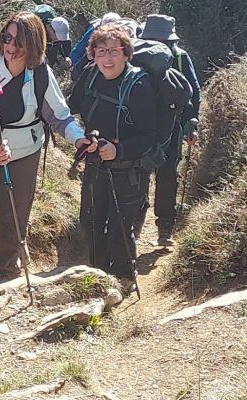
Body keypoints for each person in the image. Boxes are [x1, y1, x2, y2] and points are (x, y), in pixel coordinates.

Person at [67, 24, 193, 292]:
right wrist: (82, 137)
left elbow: (148, 136)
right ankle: (99, 279)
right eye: (101, 51)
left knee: (119, 231)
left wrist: (118, 150)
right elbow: (71, 108)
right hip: (95, 166)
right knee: (90, 224)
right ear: (92, 54)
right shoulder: (90, 76)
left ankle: (124, 279)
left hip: (129, 171)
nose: (108, 58)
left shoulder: (139, 85)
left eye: (115, 51)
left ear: (126, 54)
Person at [0, 12, 84, 286]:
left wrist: (79, 140)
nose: (10, 47)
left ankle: (6, 271)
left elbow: (59, 115)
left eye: (18, 42)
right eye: (6, 38)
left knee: (15, 209)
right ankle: (11, 254)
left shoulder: (40, 73)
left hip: (25, 151)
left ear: (33, 44)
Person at [139, 14, 202, 247]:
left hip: (167, 126)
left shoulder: (179, 58)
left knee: (159, 173)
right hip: (151, 126)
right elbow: (193, 92)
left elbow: (191, 93)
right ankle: (141, 224)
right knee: (149, 173)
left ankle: (162, 226)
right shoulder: (138, 56)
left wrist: (191, 123)